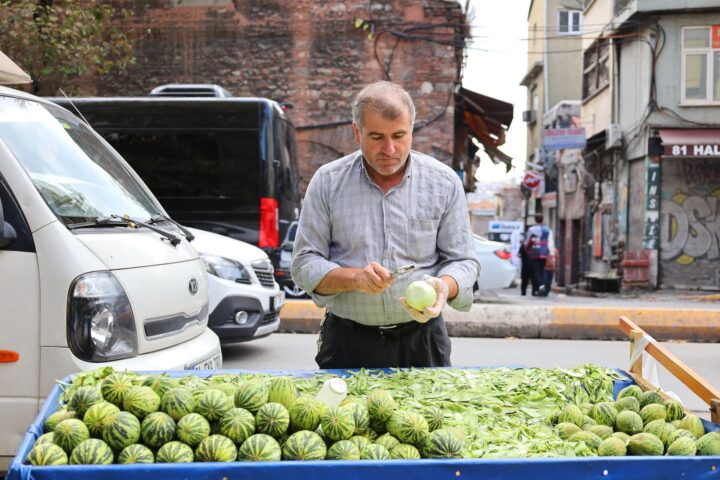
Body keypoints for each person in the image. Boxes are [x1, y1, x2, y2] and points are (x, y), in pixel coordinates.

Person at [291, 81, 480, 369]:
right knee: (343, 416)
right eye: (377, 136)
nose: (389, 148)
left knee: (429, 416)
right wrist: (354, 278)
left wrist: (444, 286)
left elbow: (464, 261)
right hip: (347, 340)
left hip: (423, 341)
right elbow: (304, 264)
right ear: (357, 133)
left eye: (399, 135)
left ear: (412, 131)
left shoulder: (443, 183)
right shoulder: (328, 182)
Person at [525, 213, 554, 296]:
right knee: (541, 271)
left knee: (536, 271)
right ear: (542, 219)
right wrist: (551, 253)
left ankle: (541, 286)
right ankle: (537, 290)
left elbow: (527, 242)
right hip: (544, 253)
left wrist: (527, 250)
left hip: (535, 253)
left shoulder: (531, 230)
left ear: (535, 220)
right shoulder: (548, 230)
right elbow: (550, 242)